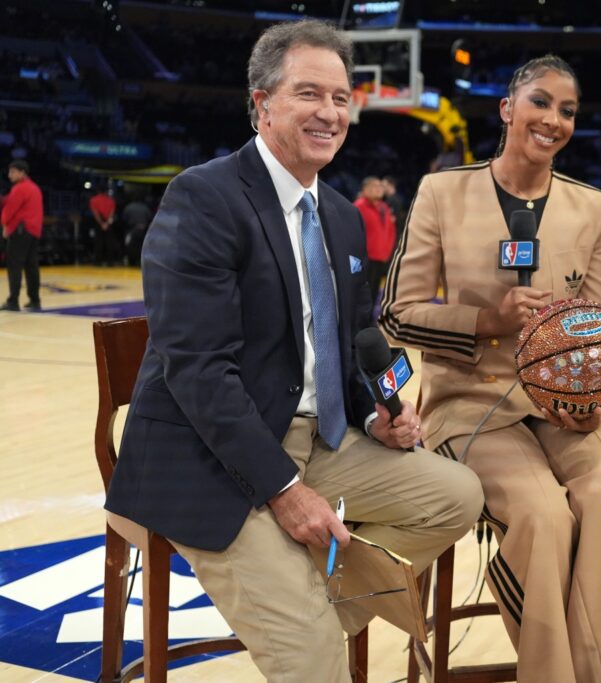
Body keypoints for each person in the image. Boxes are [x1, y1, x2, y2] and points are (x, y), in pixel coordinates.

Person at [104, 20, 483, 682]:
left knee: (457, 494)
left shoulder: (341, 215)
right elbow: (198, 371)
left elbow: (351, 340)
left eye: (340, 98)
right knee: (315, 660)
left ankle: (314, 607)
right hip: (211, 455)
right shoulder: (203, 198)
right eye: (309, 93)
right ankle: (308, 627)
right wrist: (283, 489)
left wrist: (373, 415)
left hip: (322, 440)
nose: (330, 112)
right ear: (262, 103)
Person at [380, 55, 601, 683]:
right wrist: (487, 320)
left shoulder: (595, 208)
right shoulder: (441, 192)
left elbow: (598, 328)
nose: (553, 119)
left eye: (567, 110)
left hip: (563, 408)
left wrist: (595, 398)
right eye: (540, 102)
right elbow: (396, 315)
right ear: (507, 109)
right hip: (469, 402)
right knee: (542, 514)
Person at [2, 160, 44, 311]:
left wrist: (5, 225)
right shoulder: (35, 188)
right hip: (34, 231)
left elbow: (9, 210)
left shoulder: (20, 188)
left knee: (14, 265)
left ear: (22, 173)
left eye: (13, 172)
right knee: (32, 266)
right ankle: (35, 300)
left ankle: (13, 301)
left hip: (20, 230)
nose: (9, 175)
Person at [352, 175, 396, 295]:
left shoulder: (384, 207)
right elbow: (352, 233)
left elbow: (391, 231)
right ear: (365, 189)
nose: (379, 189)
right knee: (362, 294)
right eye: (374, 186)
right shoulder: (358, 206)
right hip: (365, 258)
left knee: (374, 292)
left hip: (381, 257)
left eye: (380, 186)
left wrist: (387, 252)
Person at [89, 183, 118, 266]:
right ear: (106, 191)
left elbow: (96, 213)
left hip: (99, 222)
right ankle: (110, 261)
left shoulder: (93, 200)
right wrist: (107, 223)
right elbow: (112, 213)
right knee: (109, 242)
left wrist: (101, 223)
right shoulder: (111, 201)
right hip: (108, 222)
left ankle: (97, 261)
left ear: (98, 190)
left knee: (98, 242)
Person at [120, 193, 153, 266]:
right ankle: (140, 262)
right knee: (143, 247)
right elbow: (150, 219)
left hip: (132, 230)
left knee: (129, 246)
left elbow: (124, 220)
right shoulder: (145, 208)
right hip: (143, 231)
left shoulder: (128, 207)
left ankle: (131, 261)